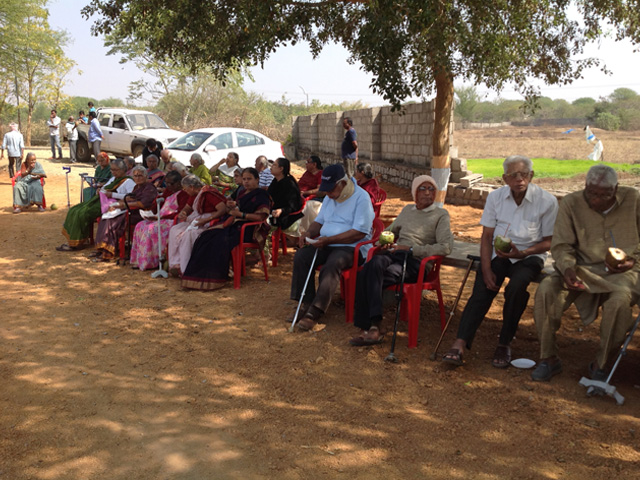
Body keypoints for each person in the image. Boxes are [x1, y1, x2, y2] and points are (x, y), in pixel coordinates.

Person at [443, 155, 558, 368]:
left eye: (524, 174)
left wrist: (523, 253)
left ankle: (504, 343)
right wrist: (486, 268)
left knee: (516, 287)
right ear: (505, 178)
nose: (519, 179)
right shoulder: (496, 198)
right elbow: (487, 236)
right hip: (500, 254)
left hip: (529, 256)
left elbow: (548, 242)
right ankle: (460, 342)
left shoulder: (547, 201)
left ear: (531, 175)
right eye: (513, 175)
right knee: (482, 287)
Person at [531, 165, 640, 382]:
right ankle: (548, 358)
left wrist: (632, 260)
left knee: (619, 303)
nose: (597, 200)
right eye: (592, 193)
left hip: (623, 272)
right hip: (581, 267)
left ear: (616, 189)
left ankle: (601, 363)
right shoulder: (572, 203)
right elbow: (561, 245)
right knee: (547, 290)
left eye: (604, 195)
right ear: (585, 186)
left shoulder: (634, 199)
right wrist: (568, 269)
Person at [350, 175, 453, 345]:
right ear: (414, 193)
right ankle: (373, 326)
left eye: (431, 189)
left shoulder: (440, 215)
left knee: (371, 273)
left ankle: (371, 326)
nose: (428, 193)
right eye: (423, 188)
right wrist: (382, 242)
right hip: (395, 256)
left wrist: (412, 249)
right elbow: (389, 231)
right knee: (370, 267)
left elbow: (445, 247)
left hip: (416, 262)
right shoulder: (407, 210)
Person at [290, 163, 374, 331]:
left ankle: (315, 311)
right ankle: (305, 303)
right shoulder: (330, 197)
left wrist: (328, 240)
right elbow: (319, 221)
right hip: (326, 242)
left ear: (342, 183)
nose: (328, 194)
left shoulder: (361, 198)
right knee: (302, 256)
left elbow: (359, 233)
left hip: (351, 247)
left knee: (333, 263)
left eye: (331, 189)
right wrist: (307, 233)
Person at [182, 167, 271, 290]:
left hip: (248, 229)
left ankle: (215, 278)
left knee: (219, 240)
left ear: (257, 179)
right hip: (234, 224)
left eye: (249, 179)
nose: (246, 182)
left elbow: (260, 217)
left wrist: (241, 215)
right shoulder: (241, 193)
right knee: (205, 236)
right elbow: (236, 209)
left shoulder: (262, 195)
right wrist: (231, 206)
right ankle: (198, 278)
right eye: (244, 179)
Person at [57, 158, 134, 251]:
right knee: (74, 210)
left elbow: (130, 197)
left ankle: (77, 243)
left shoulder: (128, 181)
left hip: (111, 205)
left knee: (82, 213)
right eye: (111, 169)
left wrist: (112, 194)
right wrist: (100, 190)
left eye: (115, 170)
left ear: (123, 170)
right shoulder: (113, 179)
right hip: (100, 200)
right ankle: (76, 240)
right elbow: (105, 188)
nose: (113, 172)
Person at [91, 165, 157, 262]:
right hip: (130, 210)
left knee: (112, 221)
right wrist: (117, 204)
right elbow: (130, 197)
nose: (137, 178)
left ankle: (108, 251)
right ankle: (101, 248)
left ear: (146, 176)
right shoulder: (137, 186)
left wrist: (124, 205)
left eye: (140, 175)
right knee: (105, 217)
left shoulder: (149, 188)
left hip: (140, 213)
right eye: (135, 176)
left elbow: (142, 203)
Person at [167, 175, 227, 275]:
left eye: (186, 189)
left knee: (188, 235)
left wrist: (206, 220)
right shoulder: (194, 194)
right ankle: (176, 264)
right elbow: (187, 208)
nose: (185, 191)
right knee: (175, 229)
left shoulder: (208, 193)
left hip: (210, 222)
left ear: (191, 187)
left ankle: (187, 268)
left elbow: (222, 209)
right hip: (196, 220)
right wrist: (183, 212)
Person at [130, 171, 191, 271]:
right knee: (140, 225)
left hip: (172, 220)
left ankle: (152, 261)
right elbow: (158, 206)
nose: (168, 186)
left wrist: (162, 217)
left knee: (150, 229)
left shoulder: (184, 194)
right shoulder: (168, 191)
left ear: (179, 183)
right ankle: (139, 260)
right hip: (160, 217)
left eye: (171, 183)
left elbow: (181, 212)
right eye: (166, 183)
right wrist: (154, 207)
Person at [268, 157, 304, 231]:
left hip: (287, 216)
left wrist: (281, 210)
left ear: (281, 169)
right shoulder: (276, 180)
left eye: (274, 165)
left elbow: (293, 205)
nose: (271, 167)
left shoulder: (289, 184)